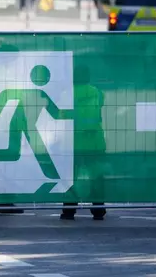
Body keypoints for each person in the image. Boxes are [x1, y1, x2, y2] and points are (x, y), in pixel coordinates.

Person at [60, 65, 107, 221]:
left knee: (70, 178)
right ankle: (98, 210)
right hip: (95, 142)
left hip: (73, 143)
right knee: (97, 176)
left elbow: (63, 118)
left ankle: (69, 210)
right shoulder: (98, 92)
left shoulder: (66, 94)